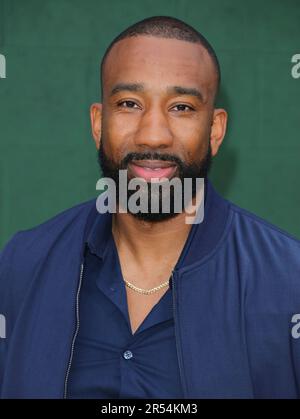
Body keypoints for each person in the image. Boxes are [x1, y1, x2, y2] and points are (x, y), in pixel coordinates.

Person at [0, 15, 300, 399]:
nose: (153, 134)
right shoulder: (23, 265)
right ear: (98, 124)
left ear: (215, 131)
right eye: (129, 103)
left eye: (181, 107)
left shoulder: (288, 282)